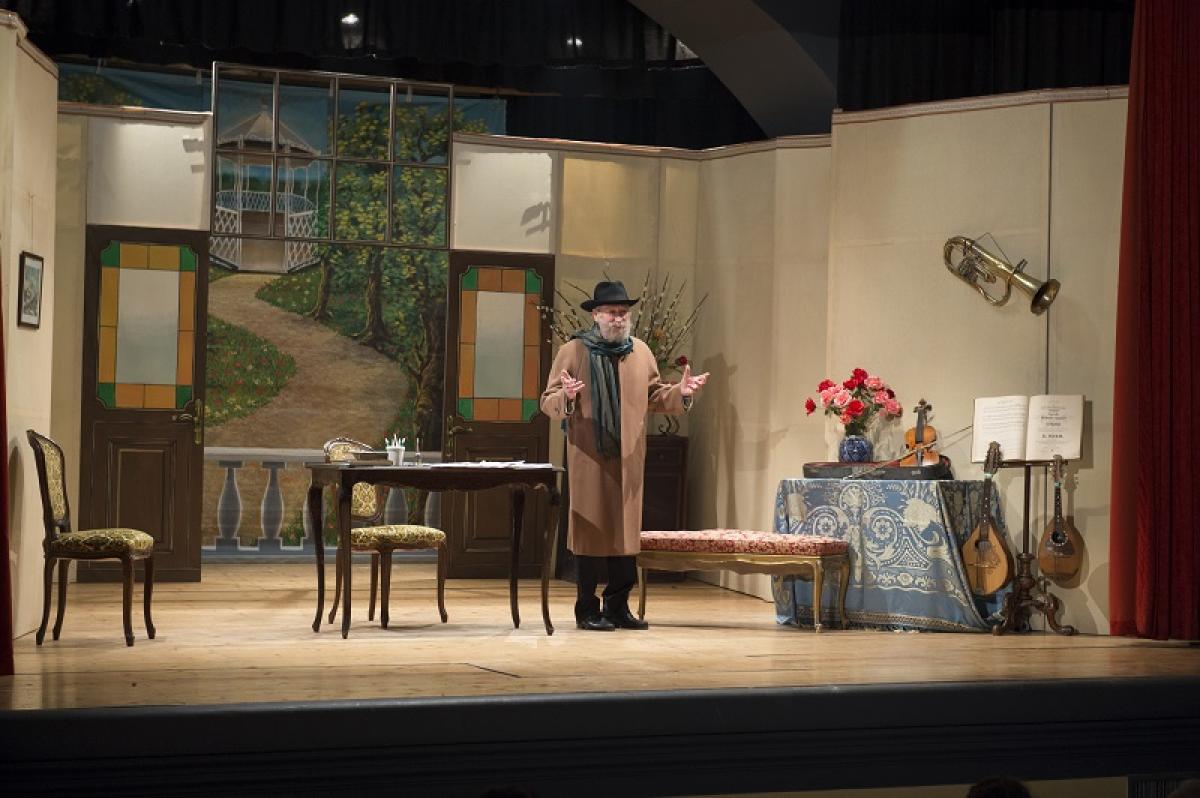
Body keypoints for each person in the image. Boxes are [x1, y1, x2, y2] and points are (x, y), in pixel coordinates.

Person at [541, 280, 708, 631]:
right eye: (611, 312)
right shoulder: (574, 351)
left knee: (625, 535)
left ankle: (617, 607)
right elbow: (548, 402)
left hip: (629, 457)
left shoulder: (640, 352)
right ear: (596, 315)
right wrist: (567, 397)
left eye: (623, 313)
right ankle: (587, 609)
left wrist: (681, 391)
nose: (618, 319)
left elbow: (655, 395)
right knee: (589, 532)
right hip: (590, 457)